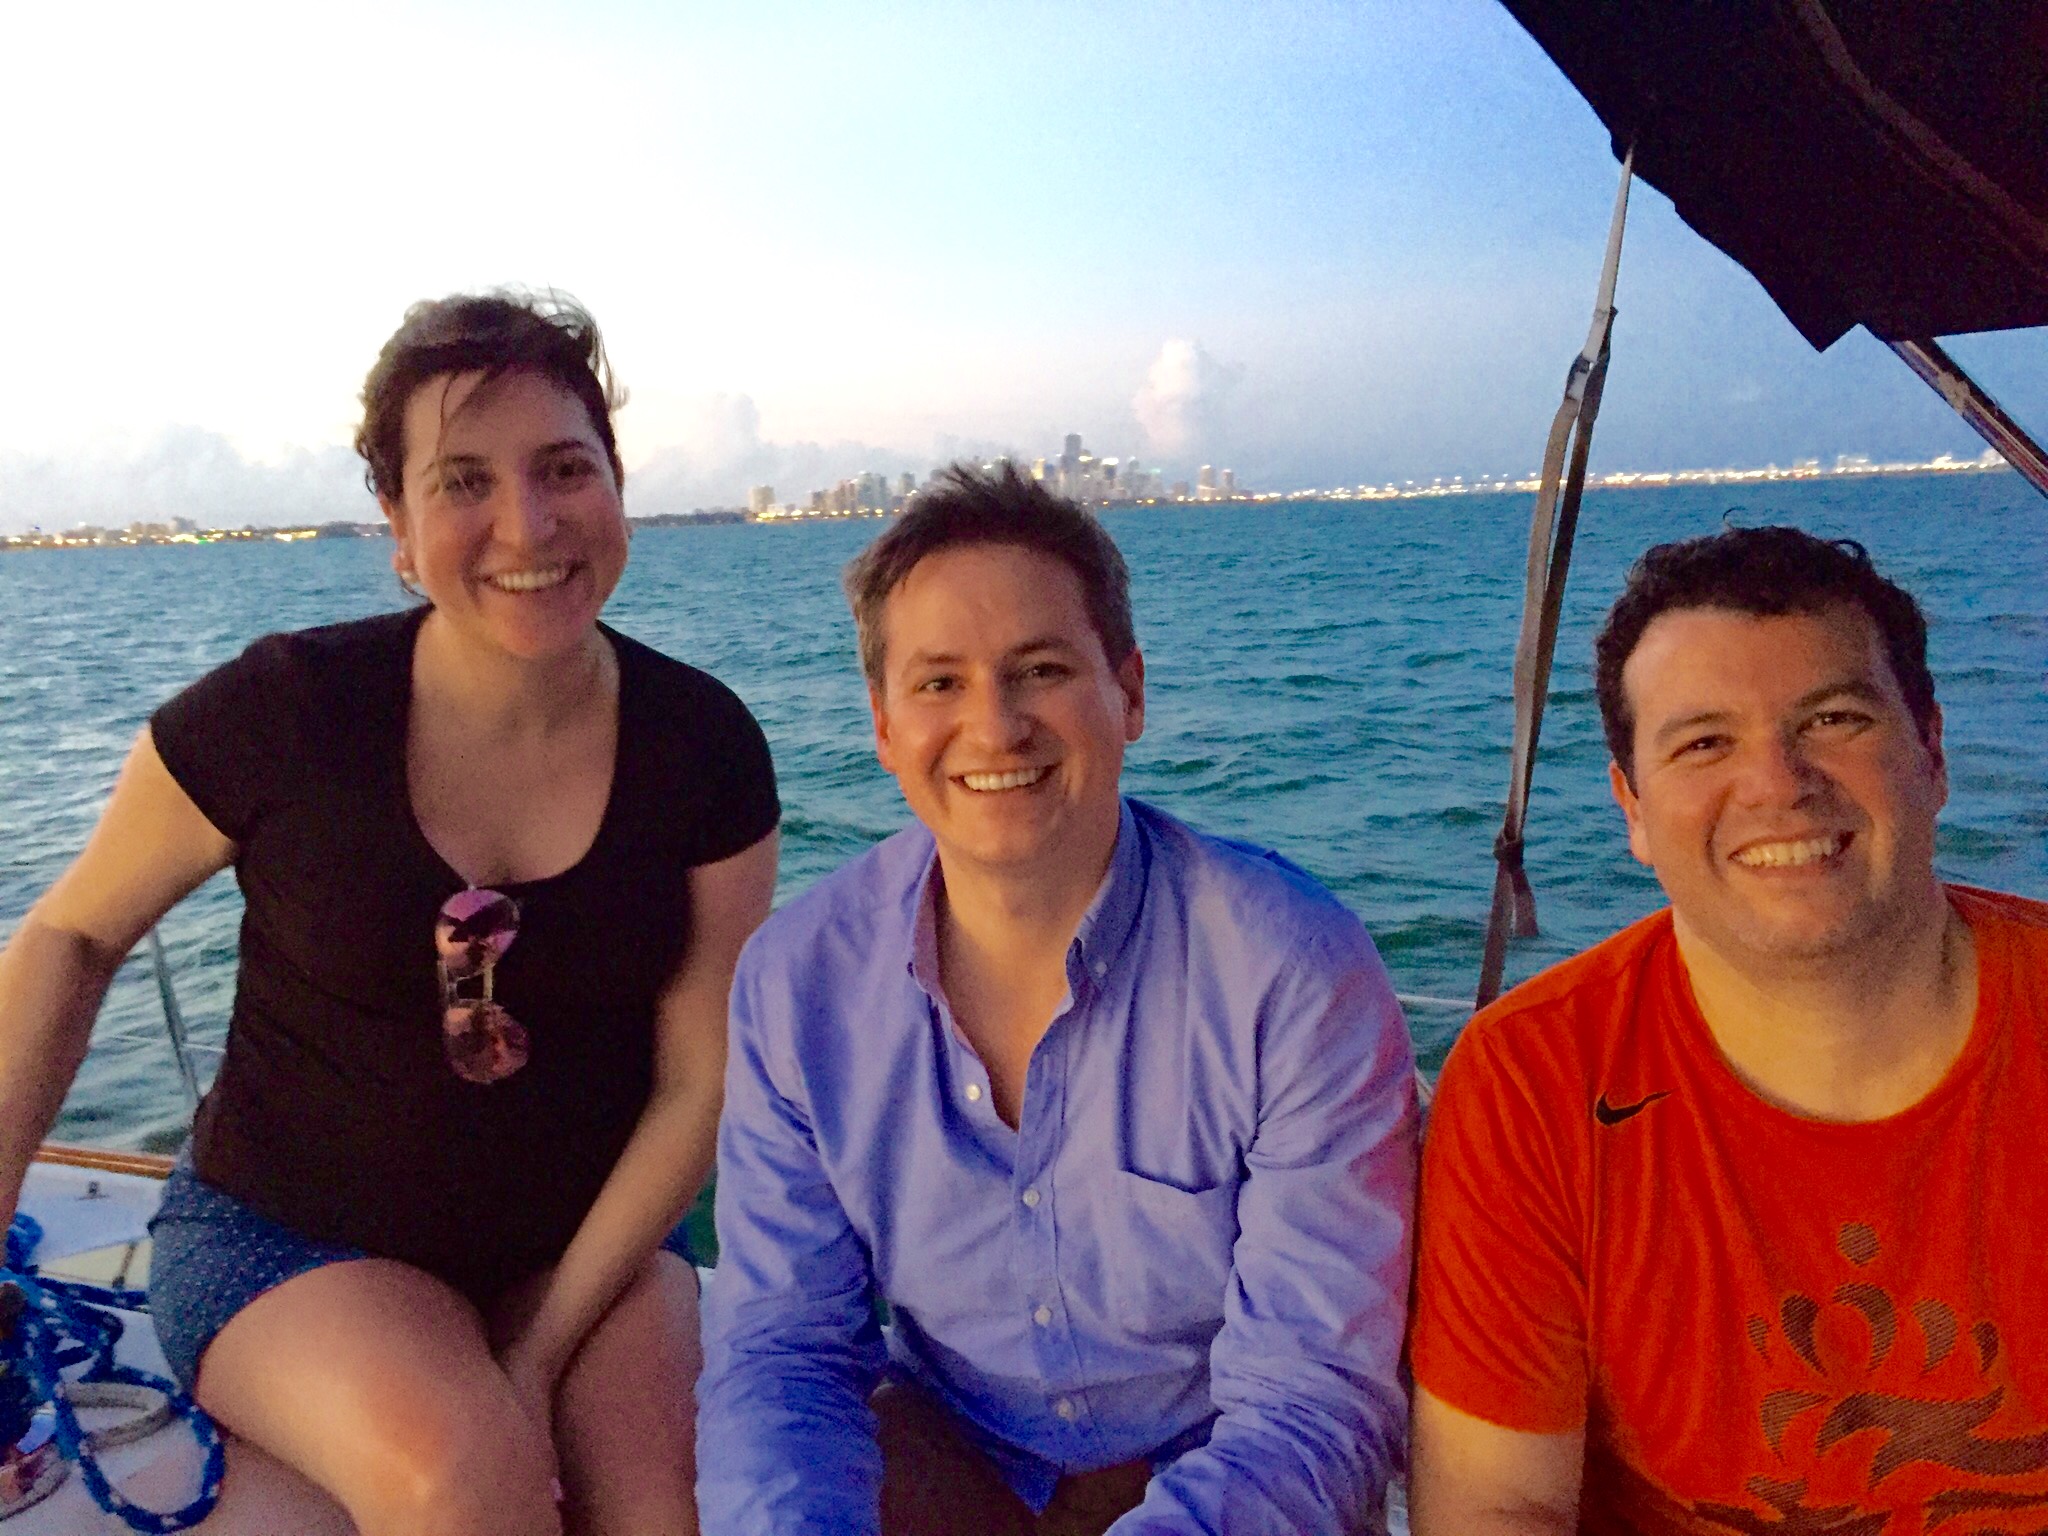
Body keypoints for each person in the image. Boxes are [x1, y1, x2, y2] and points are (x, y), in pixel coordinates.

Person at [0, 292, 780, 1536]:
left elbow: (698, 1081)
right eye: (463, 481)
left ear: (616, 486)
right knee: (467, 1481)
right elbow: (73, 934)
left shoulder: (703, 748)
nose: (527, 522)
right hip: (291, 1239)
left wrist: (538, 1350)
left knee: (671, 1510)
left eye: (564, 467)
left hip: (587, 1243)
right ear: (400, 528)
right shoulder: (286, 711)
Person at [696, 464, 1417, 1536]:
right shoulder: (798, 983)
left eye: (1039, 670)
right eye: (939, 684)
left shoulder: (1291, 971)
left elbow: (1312, 1398)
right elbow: (784, 1351)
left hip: (1222, 1467)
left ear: (1129, 694)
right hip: (956, 1451)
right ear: (884, 728)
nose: (994, 726)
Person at [1408, 526, 2048, 1533]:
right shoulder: (1534, 1080)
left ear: (1930, 752)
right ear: (1630, 805)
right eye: (1704, 743)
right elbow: (1498, 1502)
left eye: (1832, 719)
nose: (1777, 783)